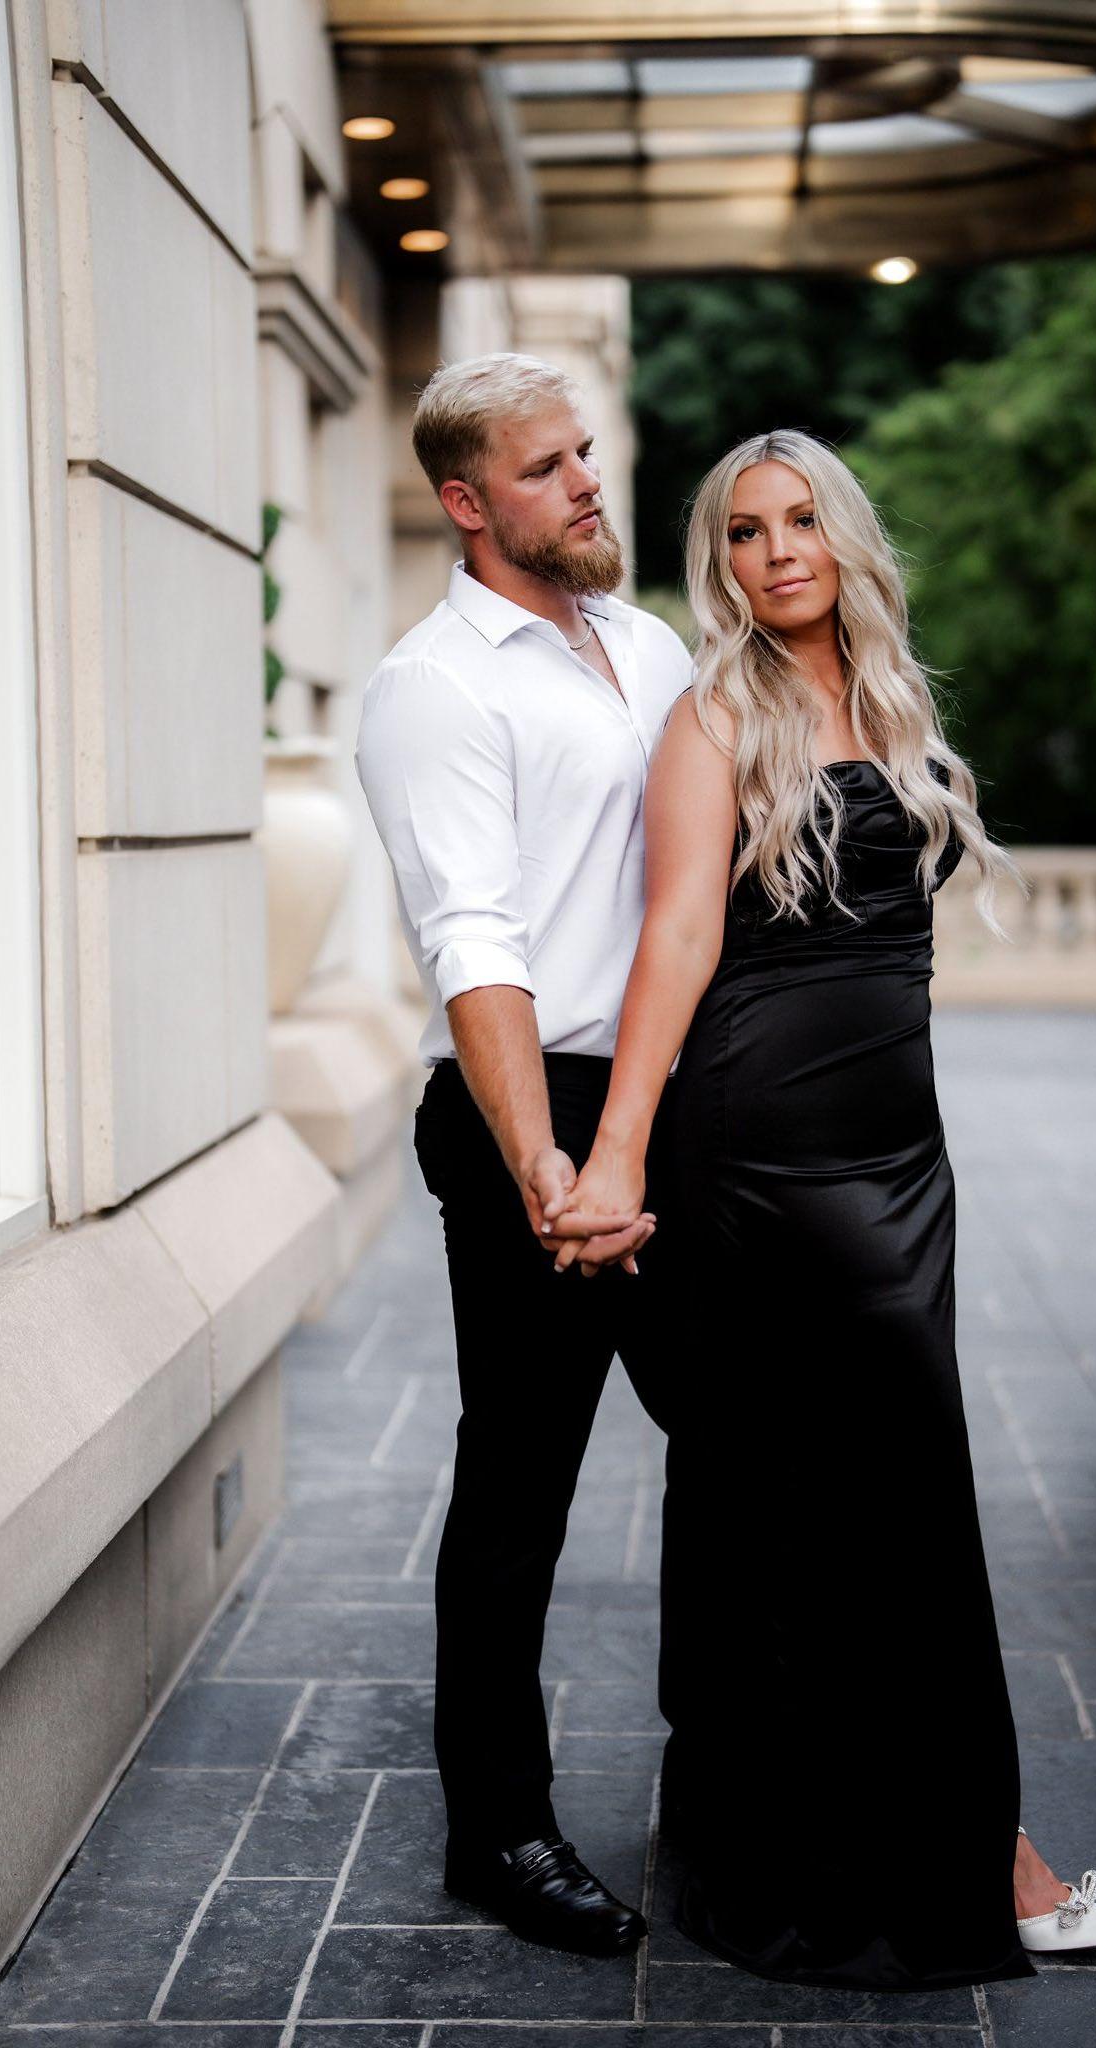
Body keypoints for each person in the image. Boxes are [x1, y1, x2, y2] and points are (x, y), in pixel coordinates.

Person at [544, 429, 1096, 1987]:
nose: (778, 551)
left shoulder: (895, 701)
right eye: (744, 532)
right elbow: (677, 938)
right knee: (872, 1499)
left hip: (901, 1154)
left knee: (841, 1496)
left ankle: (835, 1830)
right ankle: (980, 1851)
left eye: (802, 519)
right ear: (721, 564)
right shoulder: (715, 717)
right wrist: (618, 1155)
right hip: (769, 1155)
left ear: (845, 536)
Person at [353, 353, 693, 1958]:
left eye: (586, 455)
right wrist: (543, 1165)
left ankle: (738, 1775)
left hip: (676, 1103)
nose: (586, 483)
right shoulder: (435, 687)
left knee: (747, 1440)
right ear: (467, 502)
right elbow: (472, 936)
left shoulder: (650, 644)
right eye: (546, 467)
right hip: (526, 1108)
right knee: (523, 1481)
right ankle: (498, 1831)